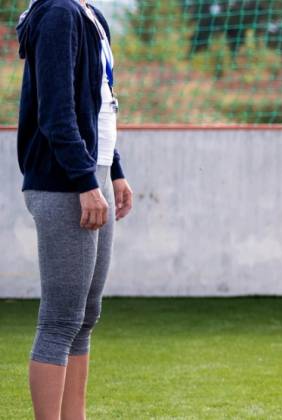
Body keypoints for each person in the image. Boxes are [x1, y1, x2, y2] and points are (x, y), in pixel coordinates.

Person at [15, 0, 135, 418]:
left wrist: (113, 171)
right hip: (63, 181)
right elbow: (56, 112)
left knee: (85, 316)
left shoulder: (89, 14)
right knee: (60, 320)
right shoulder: (58, 13)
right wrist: (86, 181)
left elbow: (99, 104)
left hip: (91, 176)